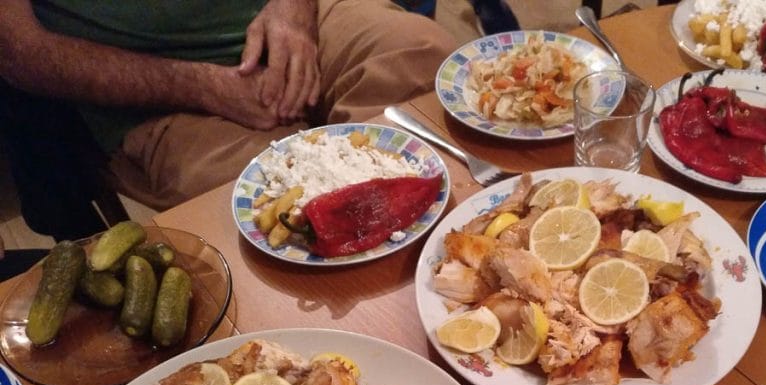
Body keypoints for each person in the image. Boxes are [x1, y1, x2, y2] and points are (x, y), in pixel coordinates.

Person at [0, 0, 457, 210]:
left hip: (288, 15)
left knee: (422, 53)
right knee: (261, 201)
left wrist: (293, 10)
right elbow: (20, 52)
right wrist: (202, 86)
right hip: (154, 92)